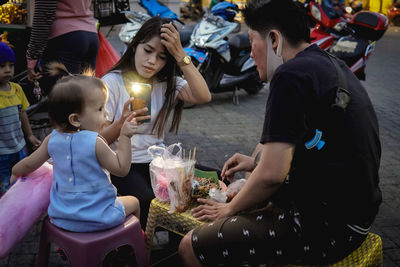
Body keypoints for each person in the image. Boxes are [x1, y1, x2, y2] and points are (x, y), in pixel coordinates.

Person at [179, 0, 382, 266]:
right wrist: (254, 163)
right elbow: (309, 144)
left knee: (190, 246)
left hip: (328, 226)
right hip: (356, 214)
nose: (251, 54)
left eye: (252, 41)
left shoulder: (290, 75)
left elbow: (273, 175)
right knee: (252, 176)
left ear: (274, 39)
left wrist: (228, 209)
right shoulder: (323, 61)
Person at [101, 16, 211, 228]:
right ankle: (135, 250)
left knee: (209, 179)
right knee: (146, 199)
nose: (152, 61)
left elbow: (203, 96)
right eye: (148, 50)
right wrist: (121, 124)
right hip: (121, 164)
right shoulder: (111, 82)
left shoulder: (166, 83)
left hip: (157, 163)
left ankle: (180, 246)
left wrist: (180, 55)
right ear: (135, 46)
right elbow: (97, 139)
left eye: (162, 57)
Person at [10, 63, 140, 232]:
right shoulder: (95, 142)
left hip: (61, 217)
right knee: (135, 202)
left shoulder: (52, 139)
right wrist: (125, 136)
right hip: (99, 217)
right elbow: (122, 169)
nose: (106, 114)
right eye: (100, 109)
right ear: (75, 119)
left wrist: (14, 172)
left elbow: (27, 165)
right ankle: (131, 246)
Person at [26, 0, 98, 94]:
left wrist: (32, 57)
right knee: (87, 97)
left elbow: (44, 15)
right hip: (90, 33)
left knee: (65, 99)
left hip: (66, 38)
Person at [0, 41, 41, 196]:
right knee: (4, 186)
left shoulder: (17, 89)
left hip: (19, 147)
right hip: (1, 153)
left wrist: (30, 135)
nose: (8, 70)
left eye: (11, 65)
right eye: (2, 66)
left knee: (21, 181)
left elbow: (22, 113)